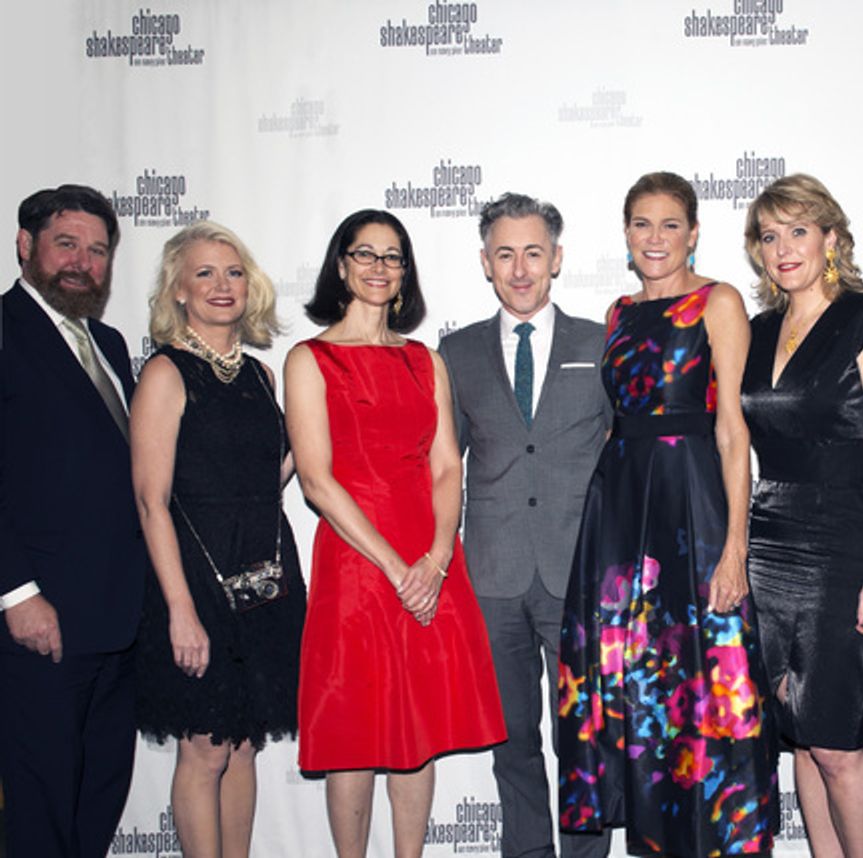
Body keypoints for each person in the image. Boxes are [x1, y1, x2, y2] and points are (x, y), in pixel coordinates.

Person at [558, 171, 777, 856]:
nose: (656, 238)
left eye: (670, 224)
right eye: (642, 224)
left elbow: (733, 430)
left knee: (708, 679)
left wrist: (734, 546)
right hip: (621, 515)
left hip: (695, 507)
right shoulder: (617, 314)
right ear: (625, 234)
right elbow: (614, 423)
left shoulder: (717, 302)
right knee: (638, 684)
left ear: (693, 232)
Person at [285, 209, 505, 858]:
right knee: (353, 734)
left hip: (428, 556)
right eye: (365, 254)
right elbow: (318, 481)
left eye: (393, 256)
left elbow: (445, 464)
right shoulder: (309, 359)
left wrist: (435, 558)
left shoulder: (424, 360)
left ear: (405, 273)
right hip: (356, 565)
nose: (379, 267)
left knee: (418, 728)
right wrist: (394, 566)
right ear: (341, 265)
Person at [440, 193, 611, 858]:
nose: (519, 268)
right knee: (512, 738)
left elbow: (627, 460)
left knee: (582, 740)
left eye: (533, 252)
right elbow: (440, 465)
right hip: (492, 577)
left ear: (557, 259)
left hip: (579, 574)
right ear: (485, 262)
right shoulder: (454, 352)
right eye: (505, 253)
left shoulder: (599, 343)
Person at [740, 174, 863, 858]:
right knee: (799, 738)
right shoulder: (755, 330)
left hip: (847, 543)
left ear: (830, 238)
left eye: (798, 231)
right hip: (767, 539)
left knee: (836, 743)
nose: (783, 248)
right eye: (769, 235)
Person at [130, 221, 307, 858]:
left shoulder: (261, 375)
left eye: (232, 272)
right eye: (203, 273)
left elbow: (273, 471)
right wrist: (180, 611)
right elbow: (151, 502)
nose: (221, 285)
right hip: (195, 582)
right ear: (178, 290)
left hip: (262, 578)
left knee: (243, 744)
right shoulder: (165, 374)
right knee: (205, 747)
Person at [0, 185, 146, 857]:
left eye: (98, 250)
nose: (84, 263)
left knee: (98, 792)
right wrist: (17, 593)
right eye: (67, 244)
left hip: (118, 618)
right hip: (42, 620)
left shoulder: (110, 344)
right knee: (41, 800)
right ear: (25, 246)